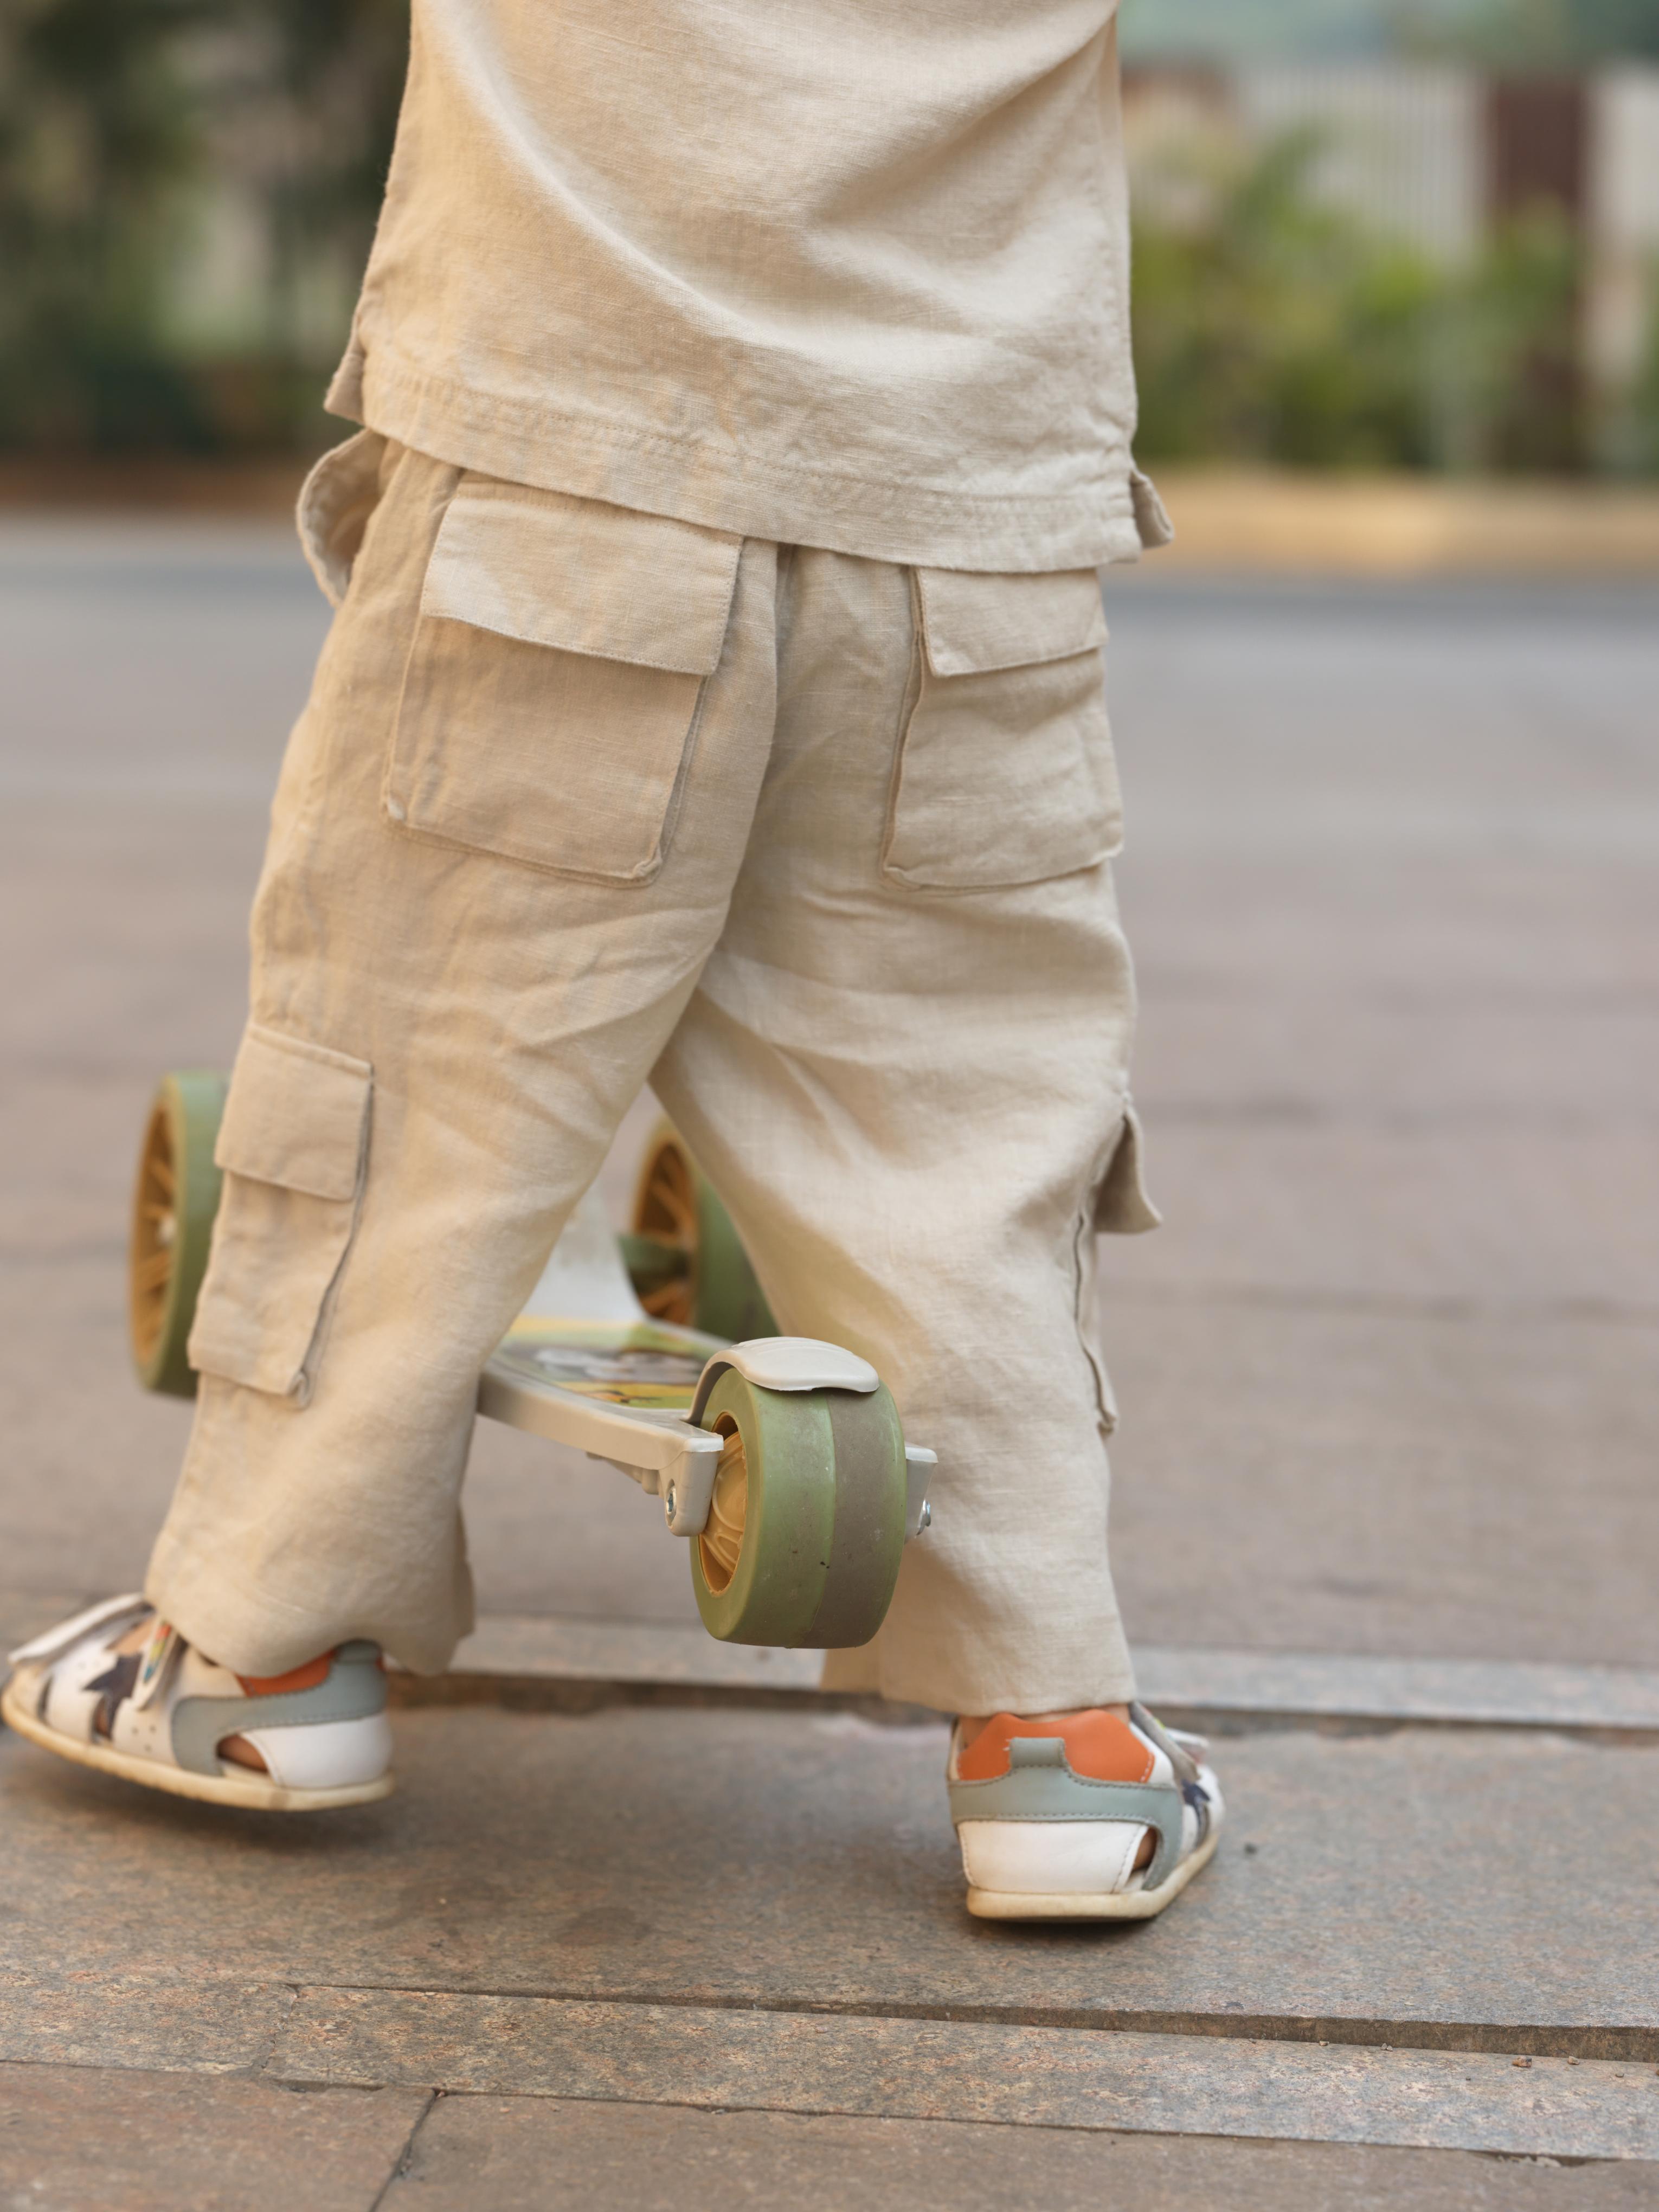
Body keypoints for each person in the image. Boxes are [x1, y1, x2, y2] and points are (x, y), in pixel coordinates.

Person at [3, 0, 1222, 1920]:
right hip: (969, 546)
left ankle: (259, 1654)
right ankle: (1054, 1747)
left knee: (411, 1082)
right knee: (959, 1128)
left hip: (564, 489)